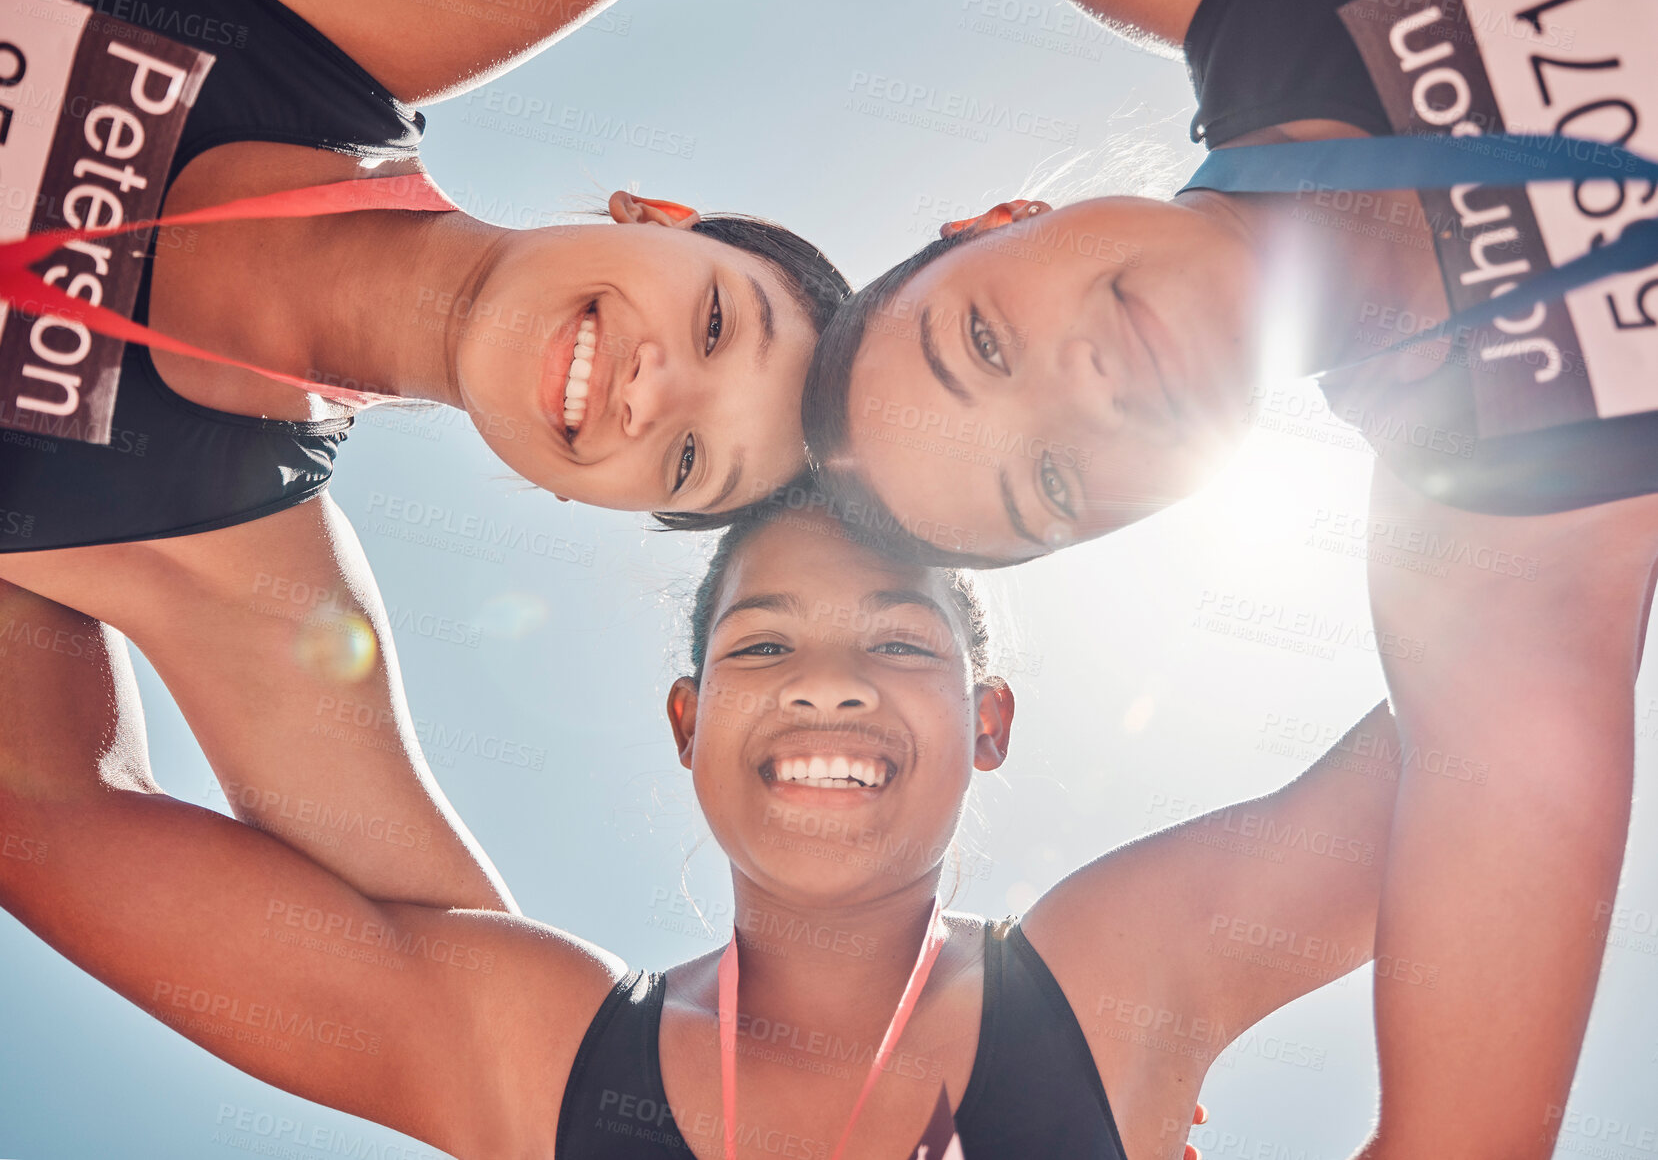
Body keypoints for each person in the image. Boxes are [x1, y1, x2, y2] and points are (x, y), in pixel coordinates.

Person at [801, 0, 1658, 1155]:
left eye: (986, 339)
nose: (1083, 391)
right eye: (1050, 483)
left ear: (1000, 220)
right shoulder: (1479, 554)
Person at [1, 489, 1406, 1158]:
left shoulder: (1107, 986)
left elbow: (1497, 696)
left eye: (903, 643)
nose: (827, 682)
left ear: (990, 723)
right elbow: (44, 800)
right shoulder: (536, 1046)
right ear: (685, 722)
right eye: (760, 646)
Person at [0, 0, 846, 912]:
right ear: (656, 215)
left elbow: (452, 976)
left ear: (592, 499)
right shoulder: (328, 28)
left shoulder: (230, 565)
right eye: (717, 325)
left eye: (687, 460)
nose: (652, 393)